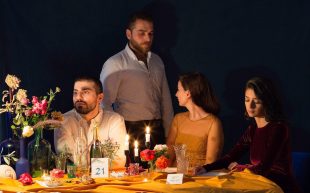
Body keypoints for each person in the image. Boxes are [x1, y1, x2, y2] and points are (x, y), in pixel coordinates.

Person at [195, 77, 301, 193]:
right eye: (247, 100)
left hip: (279, 187)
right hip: (259, 184)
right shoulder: (252, 130)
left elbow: (263, 168)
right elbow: (231, 156)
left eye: (256, 101)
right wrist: (205, 168)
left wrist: (239, 167)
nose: (250, 106)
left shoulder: (279, 129)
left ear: (267, 102)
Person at [99, 11, 174, 156]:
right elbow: (104, 104)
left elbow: (166, 100)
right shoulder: (115, 64)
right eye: (142, 33)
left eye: (151, 33)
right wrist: (115, 136)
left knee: (159, 174)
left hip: (157, 130)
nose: (147, 38)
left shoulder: (157, 61)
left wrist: (169, 133)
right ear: (129, 34)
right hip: (130, 131)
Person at [54, 76, 126, 169]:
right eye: (75, 93)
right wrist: (100, 162)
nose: (78, 97)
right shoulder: (62, 121)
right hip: (75, 181)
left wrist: (86, 164)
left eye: (85, 92)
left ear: (99, 98)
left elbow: (117, 160)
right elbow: (67, 156)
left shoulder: (114, 120)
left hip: (106, 181)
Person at [167, 72, 224, 167]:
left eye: (178, 90)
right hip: (174, 177)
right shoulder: (178, 119)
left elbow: (210, 162)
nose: (176, 94)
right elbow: (169, 153)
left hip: (199, 177)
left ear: (188, 93)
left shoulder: (213, 123)